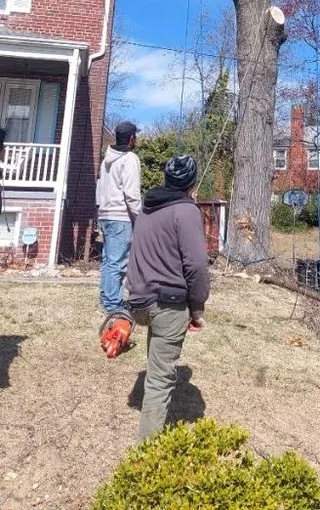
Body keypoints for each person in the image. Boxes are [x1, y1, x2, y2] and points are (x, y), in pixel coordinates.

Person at [127, 154, 210, 440]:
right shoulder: (186, 211)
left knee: (156, 361)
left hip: (139, 301)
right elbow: (197, 264)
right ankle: (145, 459)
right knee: (161, 381)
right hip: (167, 305)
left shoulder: (148, 209)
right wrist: (197, 308)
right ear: (191, 182)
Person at [96, 120, 142, 314]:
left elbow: (99, 189)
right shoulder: (130, 158)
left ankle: (106, 299)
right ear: (132, 139)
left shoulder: (106, 160)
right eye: (136, 136)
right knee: (117, 263)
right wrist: (140, 217)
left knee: (109, 261)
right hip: (120, 217)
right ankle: (113, 306)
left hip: (104, 215)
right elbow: (131, 193)